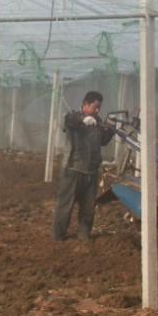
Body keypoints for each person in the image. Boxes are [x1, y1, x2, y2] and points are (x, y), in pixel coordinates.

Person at [52, 91, 114, 241]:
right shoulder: (75, 116)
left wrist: (111, 128)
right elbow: (70, 118)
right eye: (95, 107)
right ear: (85, 104)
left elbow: (103, 141)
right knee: (65, 205)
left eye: (99, 107)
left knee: (88, 207)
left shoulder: (97, 120)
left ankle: (84, 234)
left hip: (91, 172)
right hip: (73, 169)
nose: (97, 110)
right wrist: (83, 118)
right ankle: (58, 236)